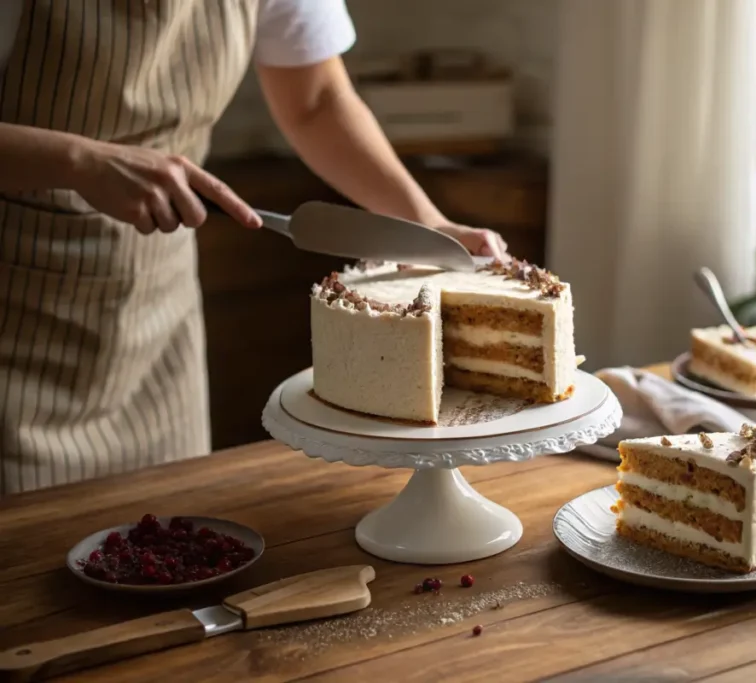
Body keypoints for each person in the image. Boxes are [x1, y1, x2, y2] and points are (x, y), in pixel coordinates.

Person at [0, 0, 508, 495]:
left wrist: (425, 223)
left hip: (158, 311)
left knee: (162, 527)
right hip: (16, 313)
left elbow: (315, 100)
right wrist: (75, 161)